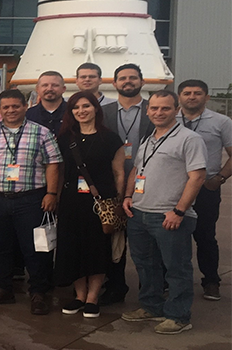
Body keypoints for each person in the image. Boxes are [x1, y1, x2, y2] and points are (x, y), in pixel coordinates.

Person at [121, 90, 206, 335]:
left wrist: (179, 210)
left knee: (176, 268)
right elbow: (137, 170)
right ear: (148, 111)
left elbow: (197, 176)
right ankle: (151, 306)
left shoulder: (189, 139)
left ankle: (178, 316)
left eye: (165, 108)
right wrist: (128, 197)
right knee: (146, 265)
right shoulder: (150, 139)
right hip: (139, 213)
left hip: (169, 215)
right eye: (155, 108)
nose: (159, 113)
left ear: (176, 110)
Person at [0, 89, 63, 315]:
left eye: (15, 106)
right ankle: (3, 289)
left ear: (25, 106)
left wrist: (51, 194)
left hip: (31, 199)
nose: (11, 110)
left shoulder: (42, 133)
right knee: (1, 247)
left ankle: (39, 292)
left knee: (35, 248)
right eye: (6, 107)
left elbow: (53, 164)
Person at [54, 91, 126, 318]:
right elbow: (60, 170)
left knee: (96, 248)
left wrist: (118, 201)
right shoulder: (65, 137)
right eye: (76, 108)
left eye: (86, 106)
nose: (81, 111)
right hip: (71, 202)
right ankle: (79, 295)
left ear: (96, 108)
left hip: (100, 203)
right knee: (71, 248)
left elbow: (119, 173)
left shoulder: (111, 138)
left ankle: (93, 297)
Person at [98, 63, 153, 306]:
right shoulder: (104, 111)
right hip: (113, 185)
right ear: (114, 83)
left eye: (133, 78)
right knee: (114, 239)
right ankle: (115, 286)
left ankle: (150, 287)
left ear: (142, 81)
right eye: (123, 78)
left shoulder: (156, 109)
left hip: (148, 185)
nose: (127, 82)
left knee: (146, 242)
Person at [176, 79, 232, 301]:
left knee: (205, 235)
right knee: (172, 236)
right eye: (187, 93)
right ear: (179, 97)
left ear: (206, 97)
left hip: (205, 187)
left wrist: (220, 178)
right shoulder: (169, 119)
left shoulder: (221, 122)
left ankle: (210, 281)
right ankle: (169, 280)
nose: (192, 97)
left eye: (197, 93)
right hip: (175, 187)